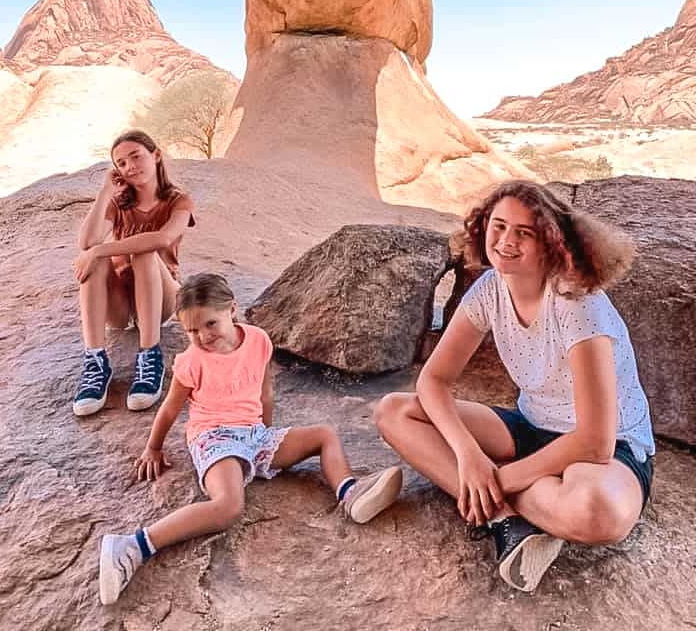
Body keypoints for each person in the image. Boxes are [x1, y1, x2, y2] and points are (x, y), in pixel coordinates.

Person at [375, 180, 655, 593]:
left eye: (524, 233)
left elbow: (596, 442)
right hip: (531, 427)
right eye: (498, 226)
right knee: (395, 412)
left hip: (606, 452)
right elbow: (433, 380)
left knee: (599, 513)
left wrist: (497, 480)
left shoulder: (576, 303)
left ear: (553, 243)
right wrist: (469, 456)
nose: (506, 241)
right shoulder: (490, 289)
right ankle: (505, 520)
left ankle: (489, 501)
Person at [98, 272, 403, 605]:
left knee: (324, 434)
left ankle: (349, 491)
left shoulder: (258, 340)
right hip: (214, 438)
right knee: (228, 506)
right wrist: (152, 448)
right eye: (191, 331)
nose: (201, 336)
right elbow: (171, 410)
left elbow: (265, 392)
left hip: (254, 434)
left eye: (209, 324)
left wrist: (267, 435)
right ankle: (132, 546)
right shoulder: (192, 362)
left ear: (232, 309)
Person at [72, 129, 195, 417]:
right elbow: (87, 242)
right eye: (122, 164)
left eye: (136, 156)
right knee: (94, 261)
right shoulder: (120, 203)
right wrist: (105, 192)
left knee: (142, 252)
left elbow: (162, 239)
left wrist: (98, 250)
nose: (130, 167)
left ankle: (149, 354)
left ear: (156, 155)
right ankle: (95, 362)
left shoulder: (179, 201)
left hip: (160, 299)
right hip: (120, 306)